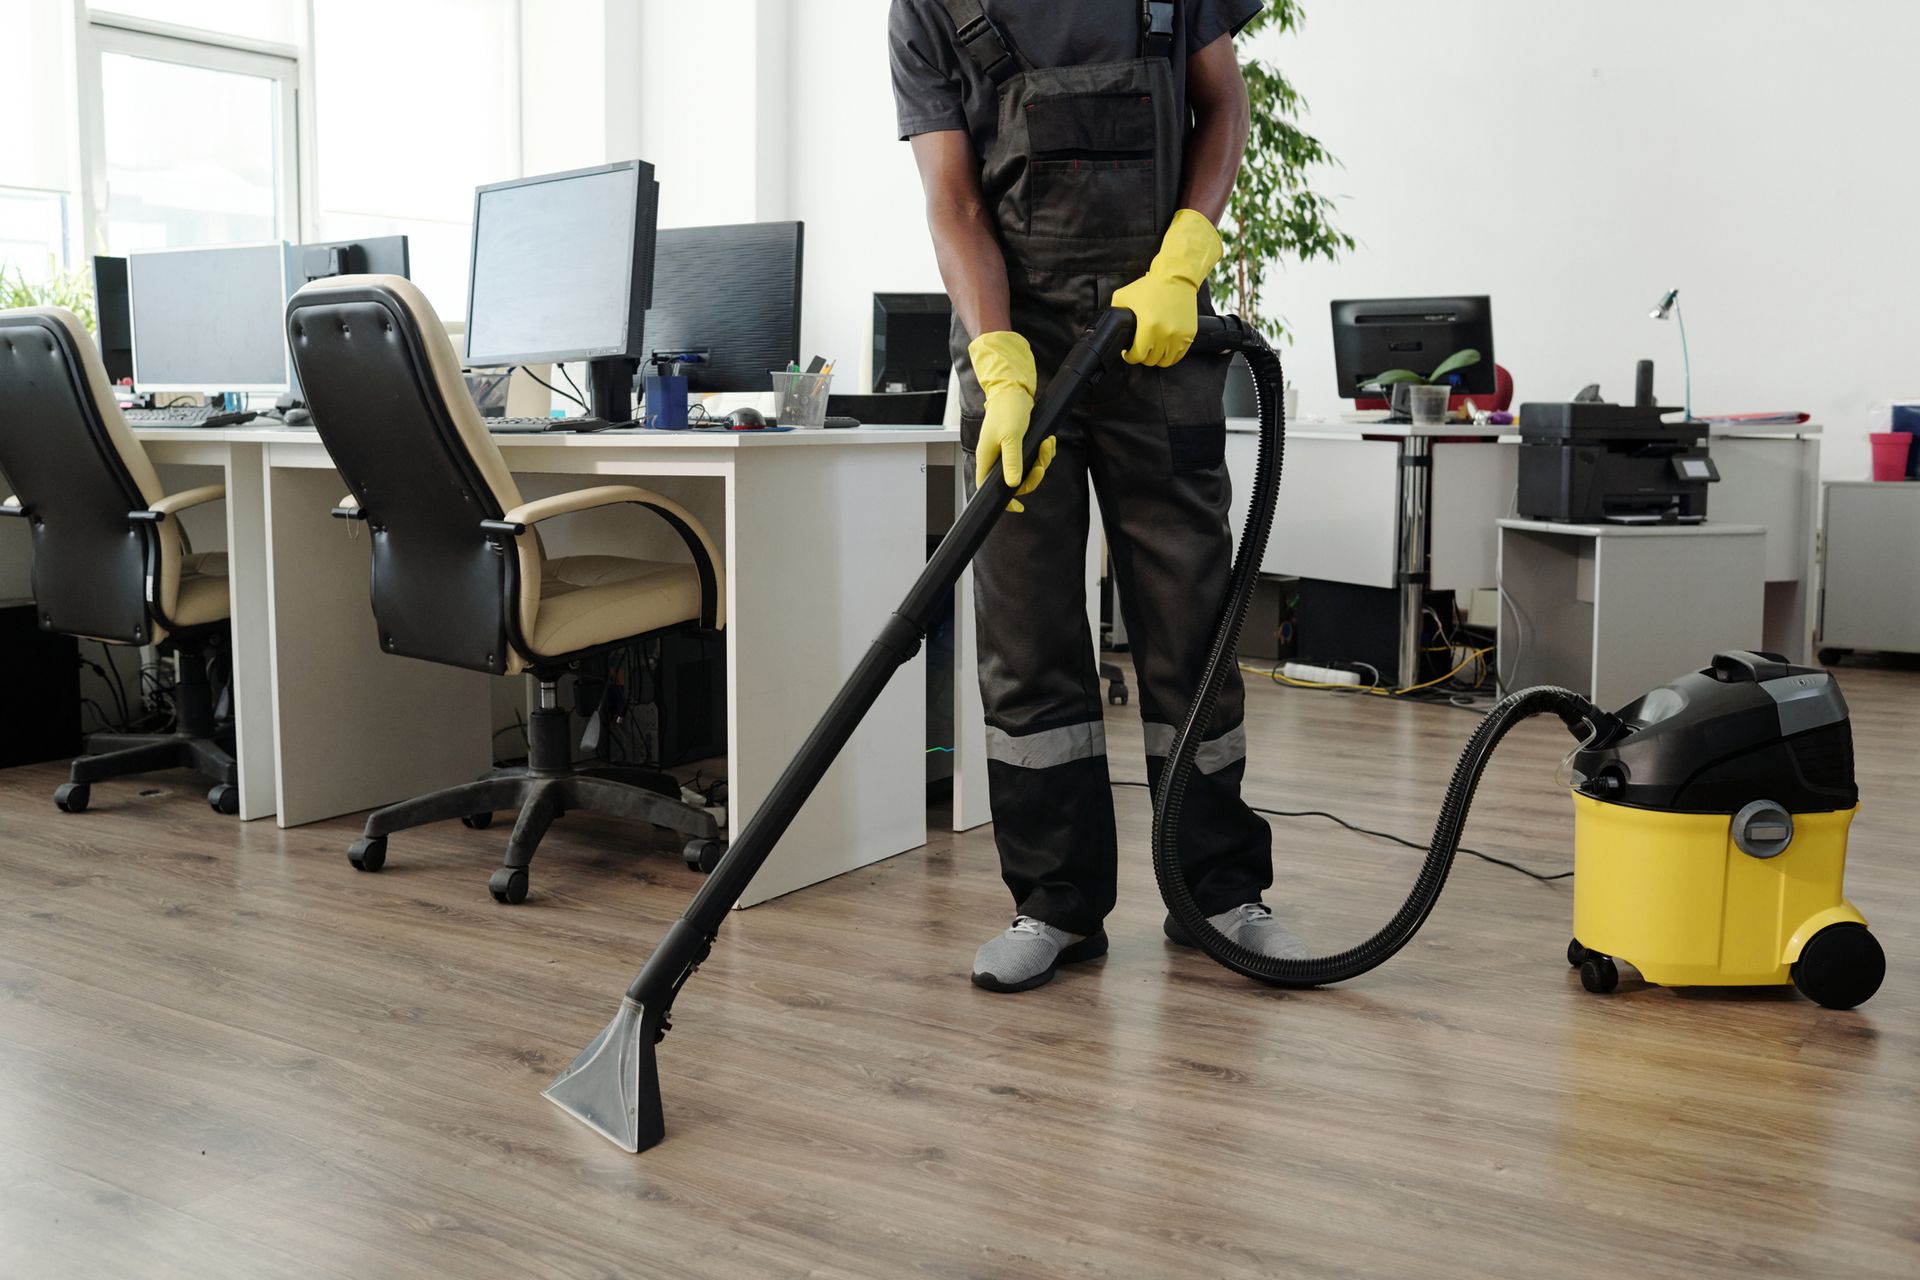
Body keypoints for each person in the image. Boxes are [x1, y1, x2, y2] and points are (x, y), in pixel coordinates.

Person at [890, 0, 1304, 992]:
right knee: (1025, 631)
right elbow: (953, 199)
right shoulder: (929, 7)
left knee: (1191, 614)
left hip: (1156, 332)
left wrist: (1186, 258)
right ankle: (1055, 905)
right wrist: (997, 359)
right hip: (1016, 343)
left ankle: (1219, 890)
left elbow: (1224, 104)